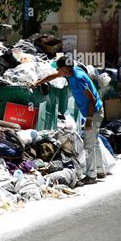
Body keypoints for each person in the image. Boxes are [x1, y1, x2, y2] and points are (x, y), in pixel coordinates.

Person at [31, 56, 104, 186]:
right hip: (93, 111)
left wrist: (89, 119)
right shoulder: (71, 72)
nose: (58, 70)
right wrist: (38, 82)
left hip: (94, 113)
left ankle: (91, 176)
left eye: (59, 68)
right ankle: (100, 170)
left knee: (88, 145)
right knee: (95, 142)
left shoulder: (78, 78)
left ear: (65, 69)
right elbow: (54, 76)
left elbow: (92, 100)